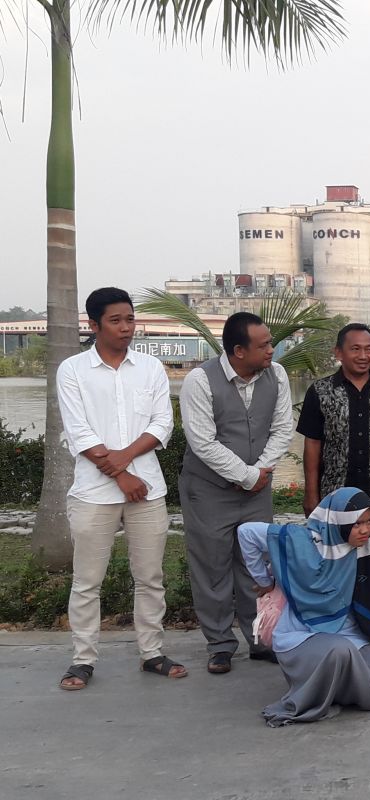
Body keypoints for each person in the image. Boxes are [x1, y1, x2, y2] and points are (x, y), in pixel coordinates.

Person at [56, 287, 187, 690]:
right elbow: (78, 430)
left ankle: (151, 653)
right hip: (93, 494)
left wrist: (125, 461)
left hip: (145, 491)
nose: (126, 327)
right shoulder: (73, 370)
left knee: (149, 577)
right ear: (93, 325)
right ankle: (82, 660)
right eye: (116, 320)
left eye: (130, 319)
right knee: (87, 581)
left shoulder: (150, 368)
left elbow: (162, 424)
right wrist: (120, 475)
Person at [238, 488, 370, 726]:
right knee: (339, 650)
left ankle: (334, 689)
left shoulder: (361, 547)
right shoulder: (303, 540)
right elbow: (245, 532)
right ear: (339, 521)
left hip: (346, 631)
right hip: (301, 634)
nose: (365, 530)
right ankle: (312, 696)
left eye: (369, 521)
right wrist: (264, 581)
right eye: (356, 523)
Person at [180, 311, 293, 675]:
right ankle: (220, 645)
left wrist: (260, 471)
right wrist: (246, 475)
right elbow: (201, 441)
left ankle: (261, 639)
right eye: (264, 345)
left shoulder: (277, 375)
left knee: (257, 566)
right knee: (211, 568)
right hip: (208, 491)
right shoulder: (199, 380)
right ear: (238, 351)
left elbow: (282, 428)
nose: (271, 350)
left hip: (257, 488)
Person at [297, 323, 370, 598]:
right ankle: (337, 627)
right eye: (355, 349)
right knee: (335, 564)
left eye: (369, 349)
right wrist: (311, 493)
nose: (363, 356)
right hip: (333, 497)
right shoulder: (320, 392)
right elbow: (312, 444)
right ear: (339, 352)